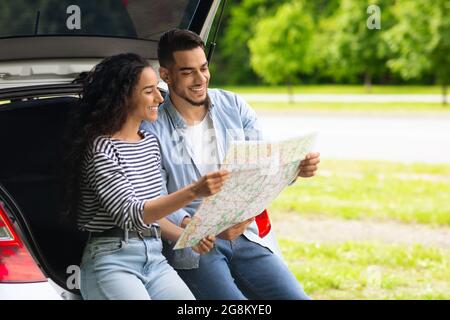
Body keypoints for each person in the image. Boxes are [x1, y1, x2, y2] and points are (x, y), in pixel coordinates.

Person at [140, 29, 321, 300]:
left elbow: (262, 168)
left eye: (203, 68)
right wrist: (200, 227)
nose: (200, 79)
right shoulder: (152, 127)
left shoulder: (233, 105)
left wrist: (295, 169)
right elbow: (153, 197)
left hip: (245, 235)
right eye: (188, 72)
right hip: (195, 247)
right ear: (166, 75)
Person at [63, 53, 229, 300]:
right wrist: (194, 191)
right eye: (149, 91)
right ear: (124, 96)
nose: (160, 98)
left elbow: (154, 212)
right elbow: (132, 215)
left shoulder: (149, 142)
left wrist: (187, 236)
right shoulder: (101, 149)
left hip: (154, 257)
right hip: (112, 261)